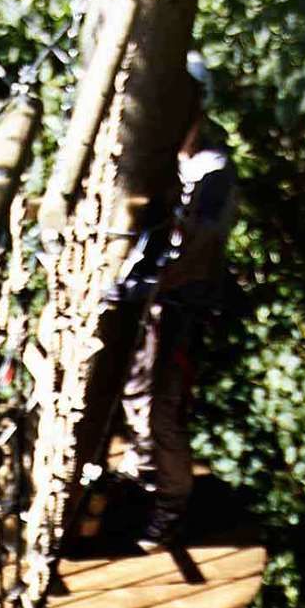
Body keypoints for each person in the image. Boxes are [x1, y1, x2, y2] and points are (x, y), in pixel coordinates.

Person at [111, 54, 240, 551]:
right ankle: (143, 478)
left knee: (161, 407)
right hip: (149, 300)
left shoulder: (213, 171)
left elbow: (198, 245)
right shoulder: (166, 162)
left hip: (181, 305)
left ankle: (169, 508)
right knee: (133, 393)